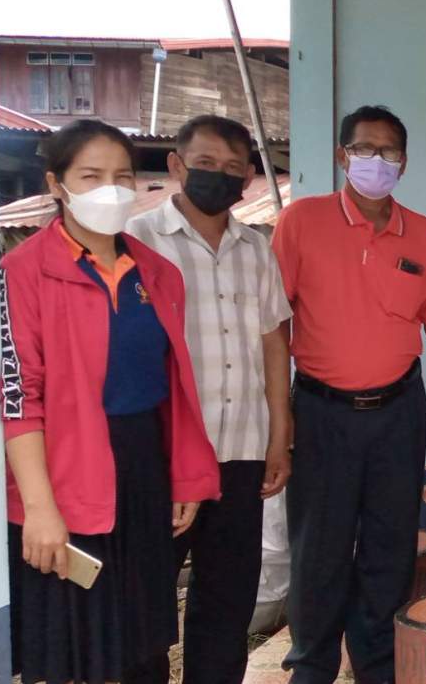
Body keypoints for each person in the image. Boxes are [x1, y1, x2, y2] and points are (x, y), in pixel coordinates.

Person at [271, 105, 426, 684]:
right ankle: (311, 666)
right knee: (319, 550)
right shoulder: (302, 222)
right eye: (364, 149)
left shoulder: (425, 235)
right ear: (342, 156)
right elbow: (274, 322)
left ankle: (377, 666)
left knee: (390, 547)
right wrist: (279, 417)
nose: (376, 161)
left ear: (404, 163)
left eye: (388, 152)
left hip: (398, 413)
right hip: (321, 411)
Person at [0, 119, 219, 684]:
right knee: (79, 649)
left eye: (122, 177)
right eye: (91, 176)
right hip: (64, 474)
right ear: (57, 184)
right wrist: (39, 509)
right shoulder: (23, 272)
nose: (110, 190)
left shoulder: (158, 273)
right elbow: (20, 397)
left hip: (141, 467)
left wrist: (185, 476)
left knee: (143, 642)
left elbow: (172, 387)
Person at [125, 114, 293, 684]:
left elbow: (273, 342)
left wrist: (279, 436)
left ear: (246, 179)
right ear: (176, 165)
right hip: (164, 454)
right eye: (204, 164)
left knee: (228, 598)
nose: (218, 176)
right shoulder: (137, 242)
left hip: (241, 448)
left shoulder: (256, 249)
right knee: (147, 598)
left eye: (231, 168)